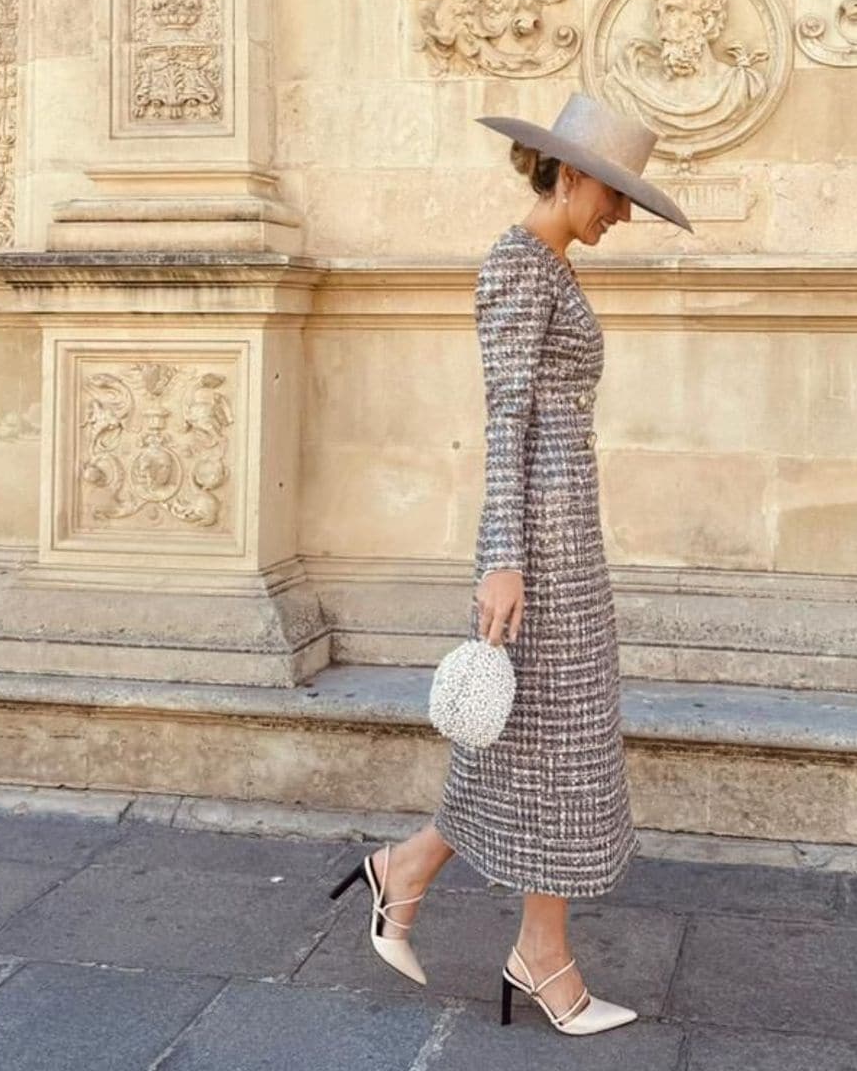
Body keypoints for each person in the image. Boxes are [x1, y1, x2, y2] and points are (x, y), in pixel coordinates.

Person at [329, 92, 691, 1037]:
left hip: (568, 541)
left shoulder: (552, 266)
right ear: (568, 173)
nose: (620, 215)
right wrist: (502, 561)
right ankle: (536, 957)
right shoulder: (517, 268)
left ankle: (409, 877)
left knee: (541, 749)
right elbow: (508, 422)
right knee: (554, 751)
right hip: (537, 551)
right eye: (612, 194)